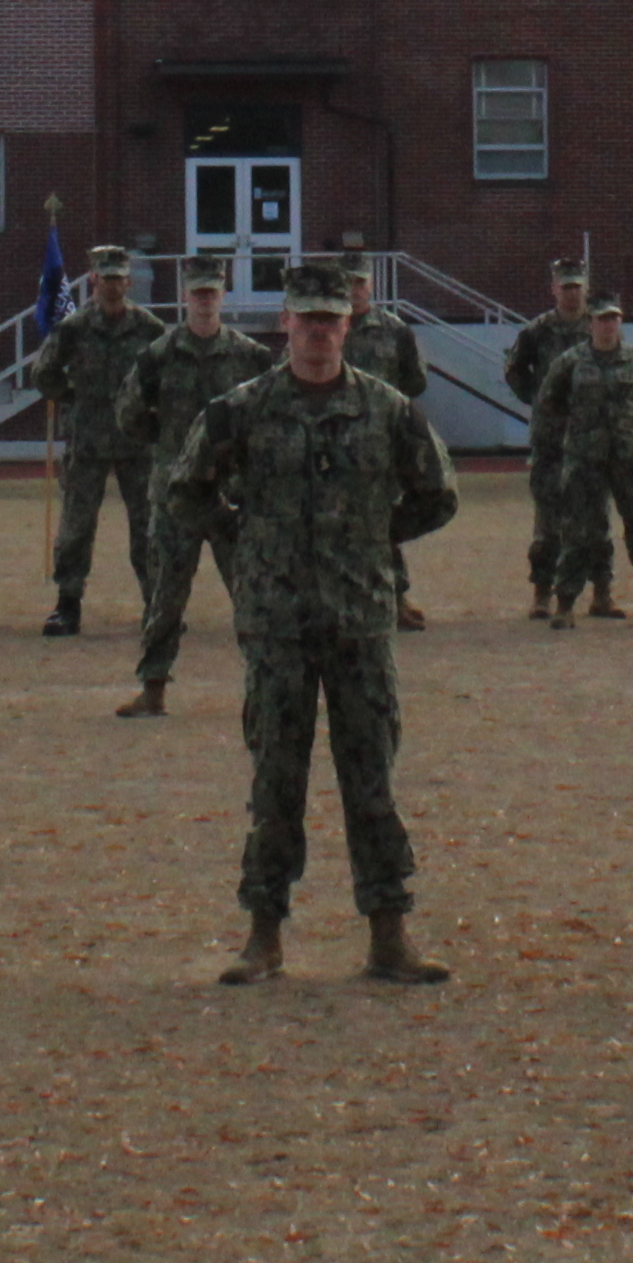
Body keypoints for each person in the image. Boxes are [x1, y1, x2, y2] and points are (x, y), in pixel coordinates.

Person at [167, 258, 459, 987]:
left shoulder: (388, 410)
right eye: (309, 319)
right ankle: (263, 936)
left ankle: (389, 934)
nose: (321, 332)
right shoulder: (242, 409)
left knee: (371, 781)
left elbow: (437, 493)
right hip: (278, 626)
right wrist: (246, 540)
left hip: (359, 621)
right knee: (275, 781)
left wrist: (374, 538)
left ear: (348, 326)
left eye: (333, 319)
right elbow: (186, 489)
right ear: (285, 323)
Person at [112, 258, 271, 719]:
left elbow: (268, 413)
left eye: (212, 293)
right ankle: (153, 687)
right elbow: (129, 415)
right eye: (197, 293)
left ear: (223, 296)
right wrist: (168, 450)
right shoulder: (157, 357)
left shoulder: (250, 357)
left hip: (230, 498)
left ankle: (268, 686)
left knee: (252, 595)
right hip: (176, 496)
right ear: (185, 297)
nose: (204, 301)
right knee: (165, 597)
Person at [29, 242, 168, 636]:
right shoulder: (73, 329)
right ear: (92, 279)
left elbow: (166, 376)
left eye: (118, 279)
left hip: (136, 441)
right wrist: (73, 397)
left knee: (148, 526)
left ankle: (156, 603)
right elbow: (44, 373)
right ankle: (67, 604)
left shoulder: (149, 329)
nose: (112, 286)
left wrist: (148, 409)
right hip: (86, 440)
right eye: (105, 278)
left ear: (128, 281)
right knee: (76, 525)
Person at [523, 293, 633, 628]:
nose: (608, 325)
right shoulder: (571, 361)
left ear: (620, 322)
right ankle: (565, 604)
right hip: (584, 460)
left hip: (629, 459)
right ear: (591, 323)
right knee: (579, 532)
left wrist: (629, 426)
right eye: (602, 319)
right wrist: (580, 427)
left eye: (614, 319)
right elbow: (549, 400)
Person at [337, 233, 435, 630]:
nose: (354, 289)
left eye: (360, 282)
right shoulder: (325, 328)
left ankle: (395, 596)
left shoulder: (394, 330)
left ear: (371, 284)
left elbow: (415, 381)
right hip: (334, 439)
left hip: (381, 442)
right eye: (347, 282)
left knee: (383, 521)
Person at [502, 258, 596, 621]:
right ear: (553, 288)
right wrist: (541, 401)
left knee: (594, 517)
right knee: (547, 518)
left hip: (591, 437)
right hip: (551, 439)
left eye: (577, 286)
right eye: (565, 286)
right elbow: (514, 370)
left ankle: (600, 592)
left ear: (585, 288)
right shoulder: (537, 331)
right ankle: (542, 592)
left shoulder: (597, 327)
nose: (572, 292)